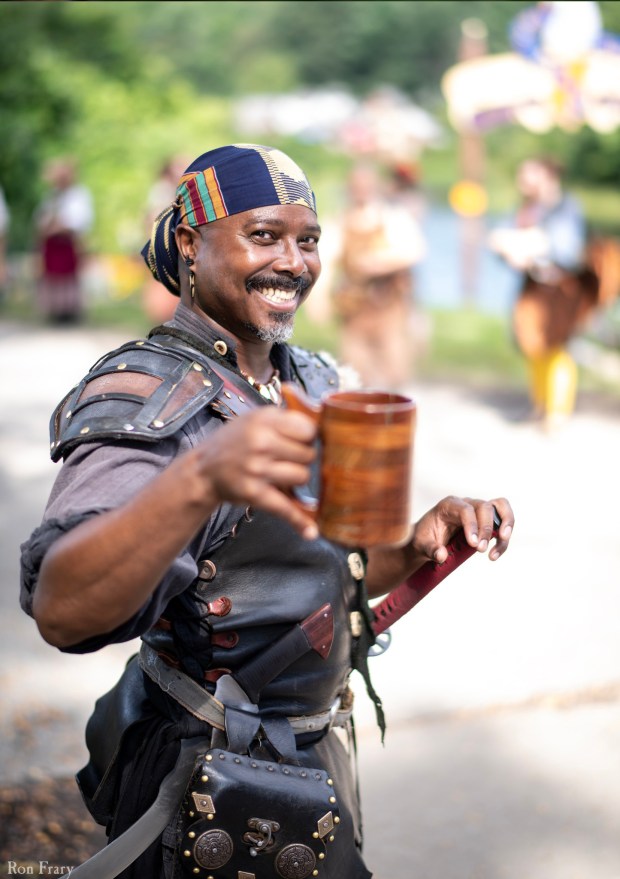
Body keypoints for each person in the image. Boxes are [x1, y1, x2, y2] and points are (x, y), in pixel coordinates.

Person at [20, 144, 514, 879]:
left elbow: (325, 570)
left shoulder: (307, 378)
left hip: (309, 770)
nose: (294, 261)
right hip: (202, 791)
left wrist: (414, 546)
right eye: (263, 235)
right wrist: (199, 480)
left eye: (307, 239)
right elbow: (63, 610)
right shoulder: (141, 394)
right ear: (191, 242)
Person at [488, 156, 598, 431]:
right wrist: (511, 248)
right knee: (533, 345)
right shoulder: (526, 209)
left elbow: (566, 250)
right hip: (533, 287)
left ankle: (557, 412)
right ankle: (540, 404)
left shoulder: (565, 207)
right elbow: (501, 238)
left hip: (560, 289)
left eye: (529, 175)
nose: (523, 182)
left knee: (557, 347)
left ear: (547, 175)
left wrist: (531, 246)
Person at [331, 162, 426, 389]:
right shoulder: (341, 221)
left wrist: (378, 263)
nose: (361, 190)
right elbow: (327, 258)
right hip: (355, 308)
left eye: (366, 185)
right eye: (357, 185)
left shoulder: (393, 217)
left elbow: (416, 251)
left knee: (394, 371)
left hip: (389, 306)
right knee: (355, 373)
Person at [34, 157, 94, 324]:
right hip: (53, 244)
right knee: (53, 277)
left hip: (69, 242)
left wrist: (60, 227)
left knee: (68, 277)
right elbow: (41, 219)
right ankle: (55, 310)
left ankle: (69, 311)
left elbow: (81, 220)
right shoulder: (51, 196)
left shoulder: (78, 195)